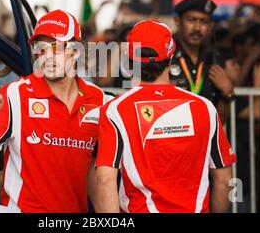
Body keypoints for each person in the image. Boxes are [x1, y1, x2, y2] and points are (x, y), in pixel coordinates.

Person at [0, 9, 111, 213]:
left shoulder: (98, 100)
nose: (48, 56)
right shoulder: (15, 95)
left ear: (76, 51)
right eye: (41, 48)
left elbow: (96, 170)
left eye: (56, 47)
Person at [93, 20, 236, 213]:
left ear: (129, 59)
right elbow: (225, 179)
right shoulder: (204, 107)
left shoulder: (115, 110)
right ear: (171, 57)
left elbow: (105, 179)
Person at [170, 0, 235, 110]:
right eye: (191, 20)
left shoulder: (215, 60)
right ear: (177, 21)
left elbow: (219, 120)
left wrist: (228, 92)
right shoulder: (166, 57)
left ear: (210, 26)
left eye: (204, 21)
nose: (197, 27)